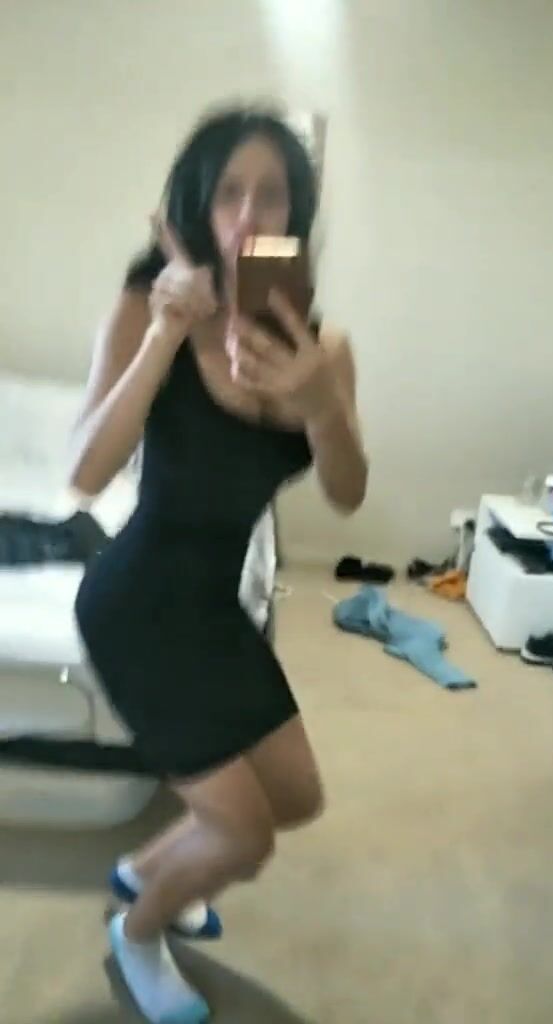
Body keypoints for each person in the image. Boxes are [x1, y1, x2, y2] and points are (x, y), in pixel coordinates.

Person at [72, 105, 368, 1024]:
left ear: (295, 215)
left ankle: (146, 872)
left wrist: (323, 405)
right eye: (228, 192)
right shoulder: (148, 305)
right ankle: (139, 932)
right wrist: (165, 334)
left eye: (270, 195)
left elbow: (348, 493)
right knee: (244, 837)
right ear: (199, 208)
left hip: (211, 605)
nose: (247, 215)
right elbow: (86, 471)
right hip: (135, 605)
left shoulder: (322, 347)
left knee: (296, 798)